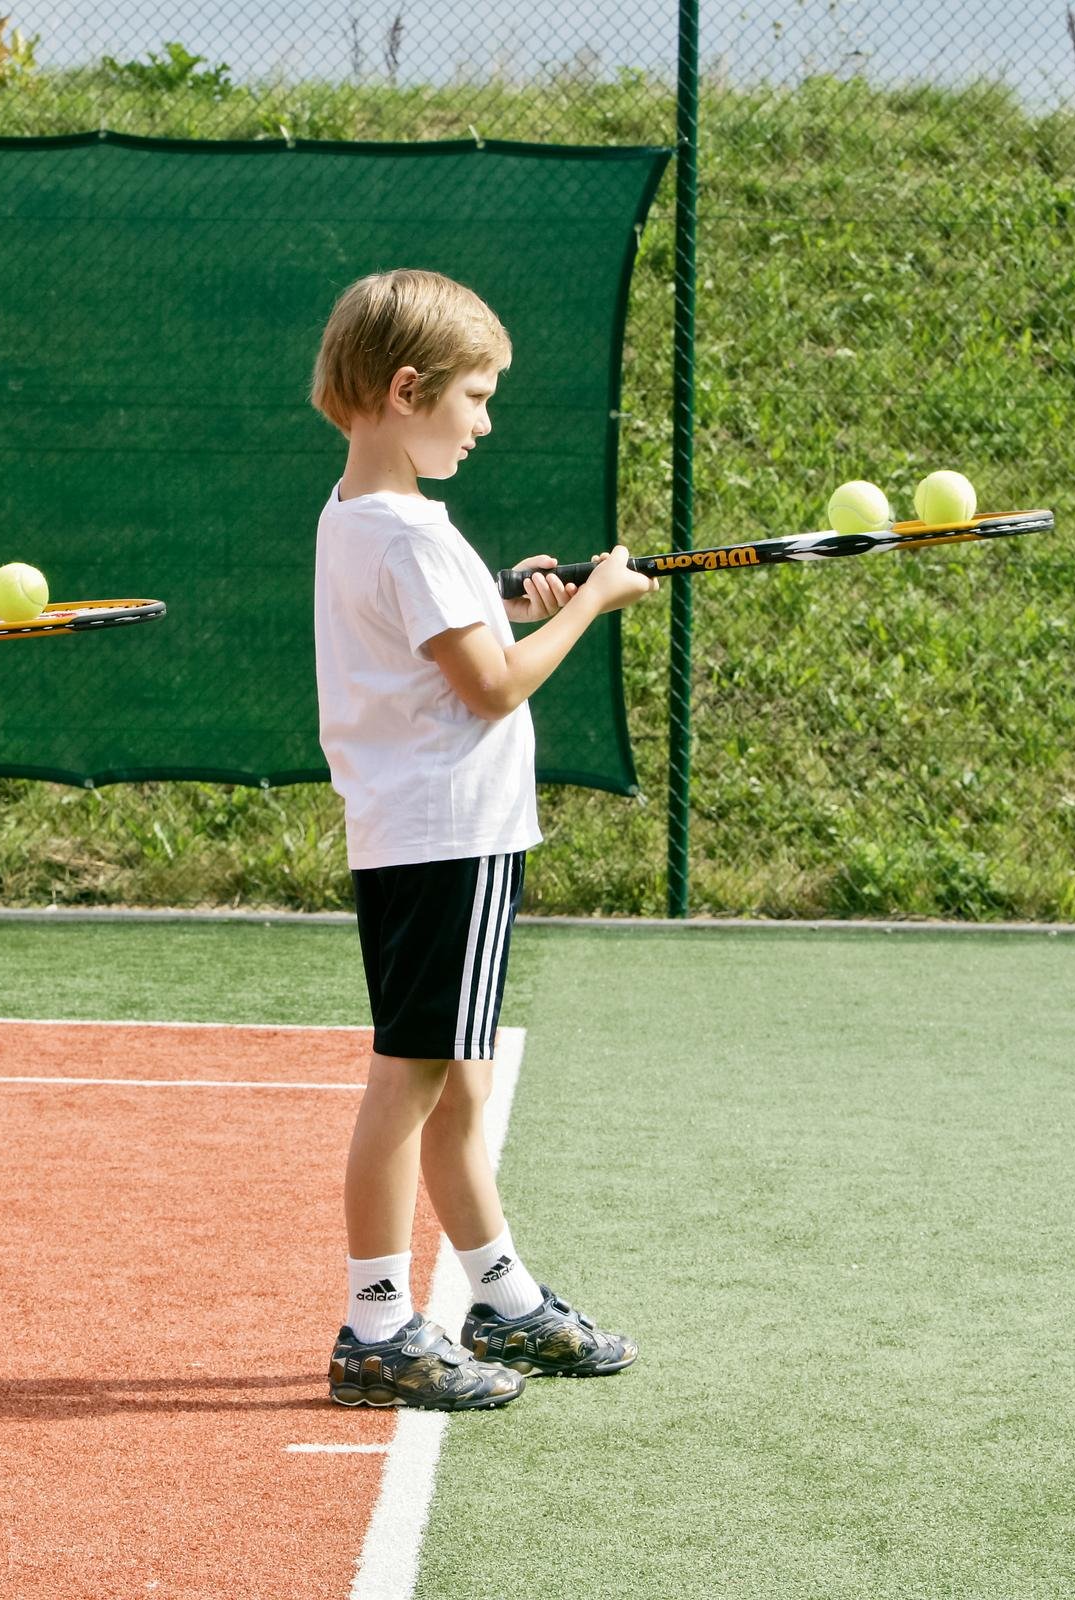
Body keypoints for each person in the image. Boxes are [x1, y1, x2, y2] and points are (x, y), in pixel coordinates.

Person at [309, 268, 652, 1409]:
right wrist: (590, 603)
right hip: (447, 842)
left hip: (419, 837)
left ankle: (502, 1301)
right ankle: (376, 1327)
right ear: (408, 389)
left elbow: (441, 641)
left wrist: (505, 592)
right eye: (476, 396)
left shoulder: (359, 516)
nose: (486, 421)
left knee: (457, 1078)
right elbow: (495, 688)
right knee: (412, 1082)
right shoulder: (411, 536)